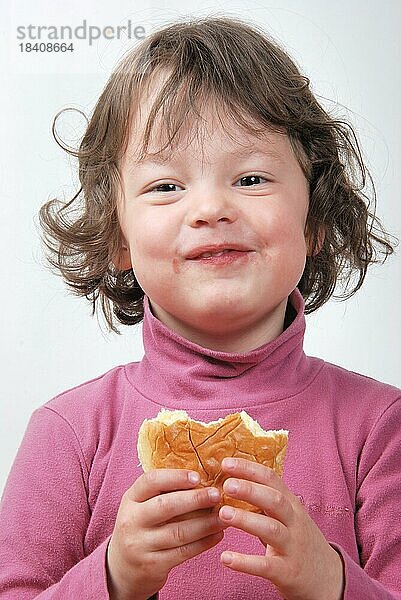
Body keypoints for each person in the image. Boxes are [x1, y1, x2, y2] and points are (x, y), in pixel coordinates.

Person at [0, 15, 400, 600]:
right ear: (116, 236)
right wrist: (112, 577)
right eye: (166, 185)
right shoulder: (70, 434)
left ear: (315, 219)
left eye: (253, 177)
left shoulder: (380, 429)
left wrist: (332, 582)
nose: (210, 207)